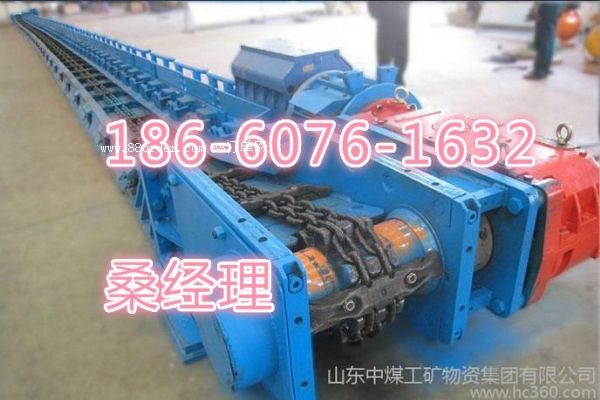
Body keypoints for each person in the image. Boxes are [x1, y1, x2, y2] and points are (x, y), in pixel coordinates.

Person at [368, 1, 410, 85]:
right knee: (384, 55)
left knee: (401, 52)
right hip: (385, 18)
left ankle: (398, 81)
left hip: (401, 19)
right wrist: (376, 12)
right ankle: (383, 82)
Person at [524, 1, 564, 80]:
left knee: (543, 39)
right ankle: (545, 69)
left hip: (547, 7)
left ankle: (539, 72)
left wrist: (534, 9)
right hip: (557, 5)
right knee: (550, 37)